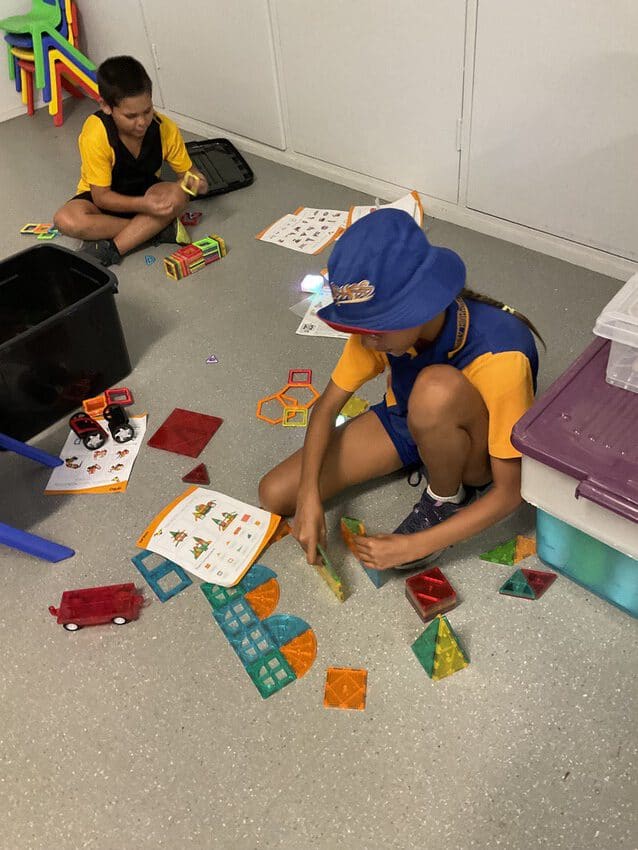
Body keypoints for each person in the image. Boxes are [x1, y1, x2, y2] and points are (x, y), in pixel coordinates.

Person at [259, 209, 543, 571]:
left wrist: (413, 546)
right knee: (275, 493)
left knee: (434, 390)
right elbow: (327, 408)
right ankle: (429, 450)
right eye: (362, 328)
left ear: (418, 306)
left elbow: (509, 493)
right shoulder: (374, 334)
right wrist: (309, 493)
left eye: (378, 328)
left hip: (474, 452)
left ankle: (445, 497)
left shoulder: (502, 356)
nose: (368, 340)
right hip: (407, 419)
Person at [53, 55, 208, 267]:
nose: (142, 122)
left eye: (147, 110)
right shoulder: (95, 132)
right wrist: (145, 207)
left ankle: (111, 250)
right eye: (131, 116)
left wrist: (196, 182)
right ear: (106, 107)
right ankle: (155, 230)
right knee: (66, 219)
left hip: (146, 193)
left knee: (178, 195)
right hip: (106, 198)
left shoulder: (165, 128)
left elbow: (187, 174)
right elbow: (101, 198)